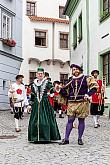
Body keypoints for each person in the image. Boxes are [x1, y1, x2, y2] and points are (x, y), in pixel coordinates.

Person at [59, 64, 98, 145]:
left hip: (82, 102)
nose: (75, 71)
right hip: (71, 102)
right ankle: (66, 139)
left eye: (76, 69)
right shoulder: (70, 79)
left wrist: (88, 94)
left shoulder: (86, 78)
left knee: (81, 120)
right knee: (70, 120)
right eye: (73, 69)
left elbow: (94, 87)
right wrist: (60, 90)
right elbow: (65, 90)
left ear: (80, 70)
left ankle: (80, 138)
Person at [28, 67, 61, 143]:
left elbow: (53, 90)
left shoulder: (47, 83)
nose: (40, 75)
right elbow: (32, 96)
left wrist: (56, 88)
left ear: (43, 74)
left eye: (41, 74)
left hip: (45, 103)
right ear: (36, 74)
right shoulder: (33, 85)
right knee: (35, 121)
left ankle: (46, 137)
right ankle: (35, 138)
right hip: (36, 104)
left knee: (45, 121)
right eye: (38, 73)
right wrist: (30, 105)